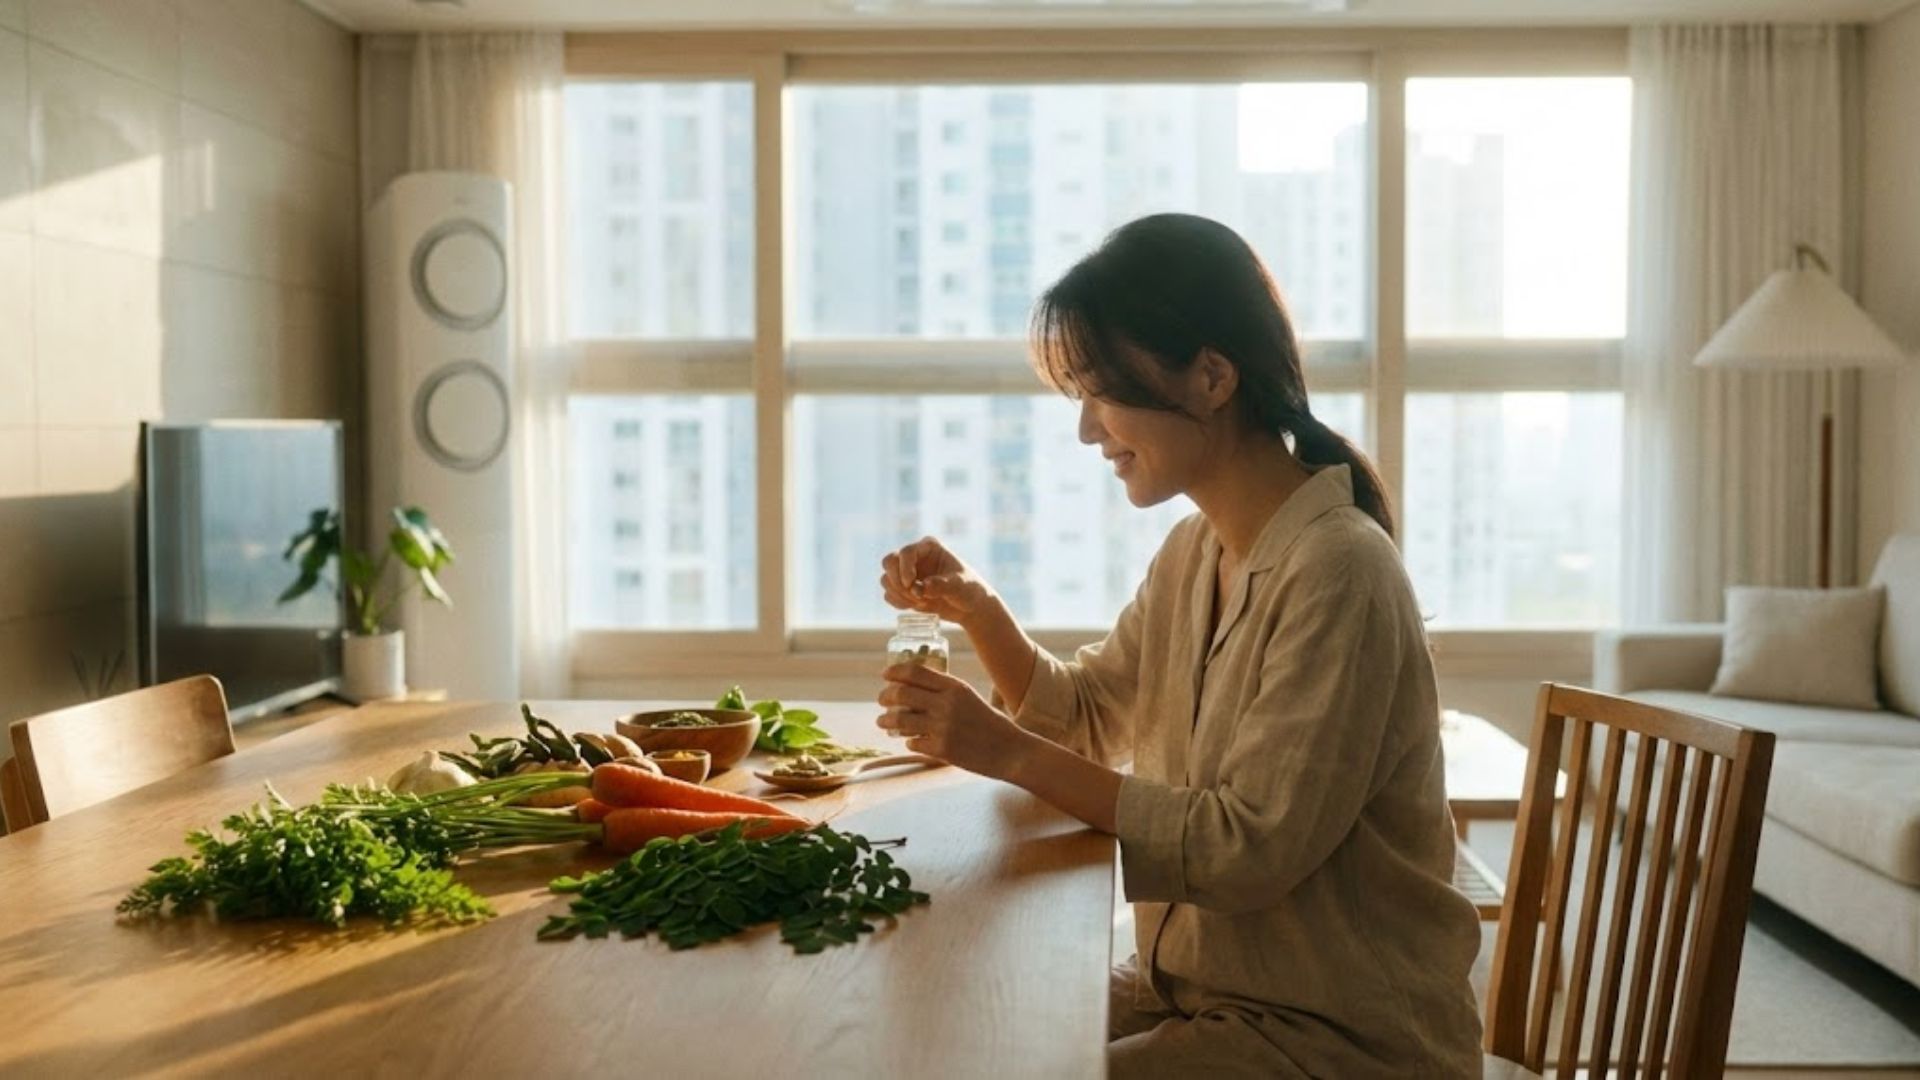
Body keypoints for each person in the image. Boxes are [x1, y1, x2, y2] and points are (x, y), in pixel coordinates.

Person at [876, 213, 1483, 1078]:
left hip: (1335, 1038)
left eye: (1103, 392)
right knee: (975, 1033)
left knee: (1012, 1056)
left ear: (1212, 376)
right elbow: (1086, 717)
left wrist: (1002, 748)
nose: (1088, 431)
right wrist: (979, 609)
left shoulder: (1341, 569)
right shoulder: (1195, 552)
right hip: (1201, 990)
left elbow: (1247, 849)